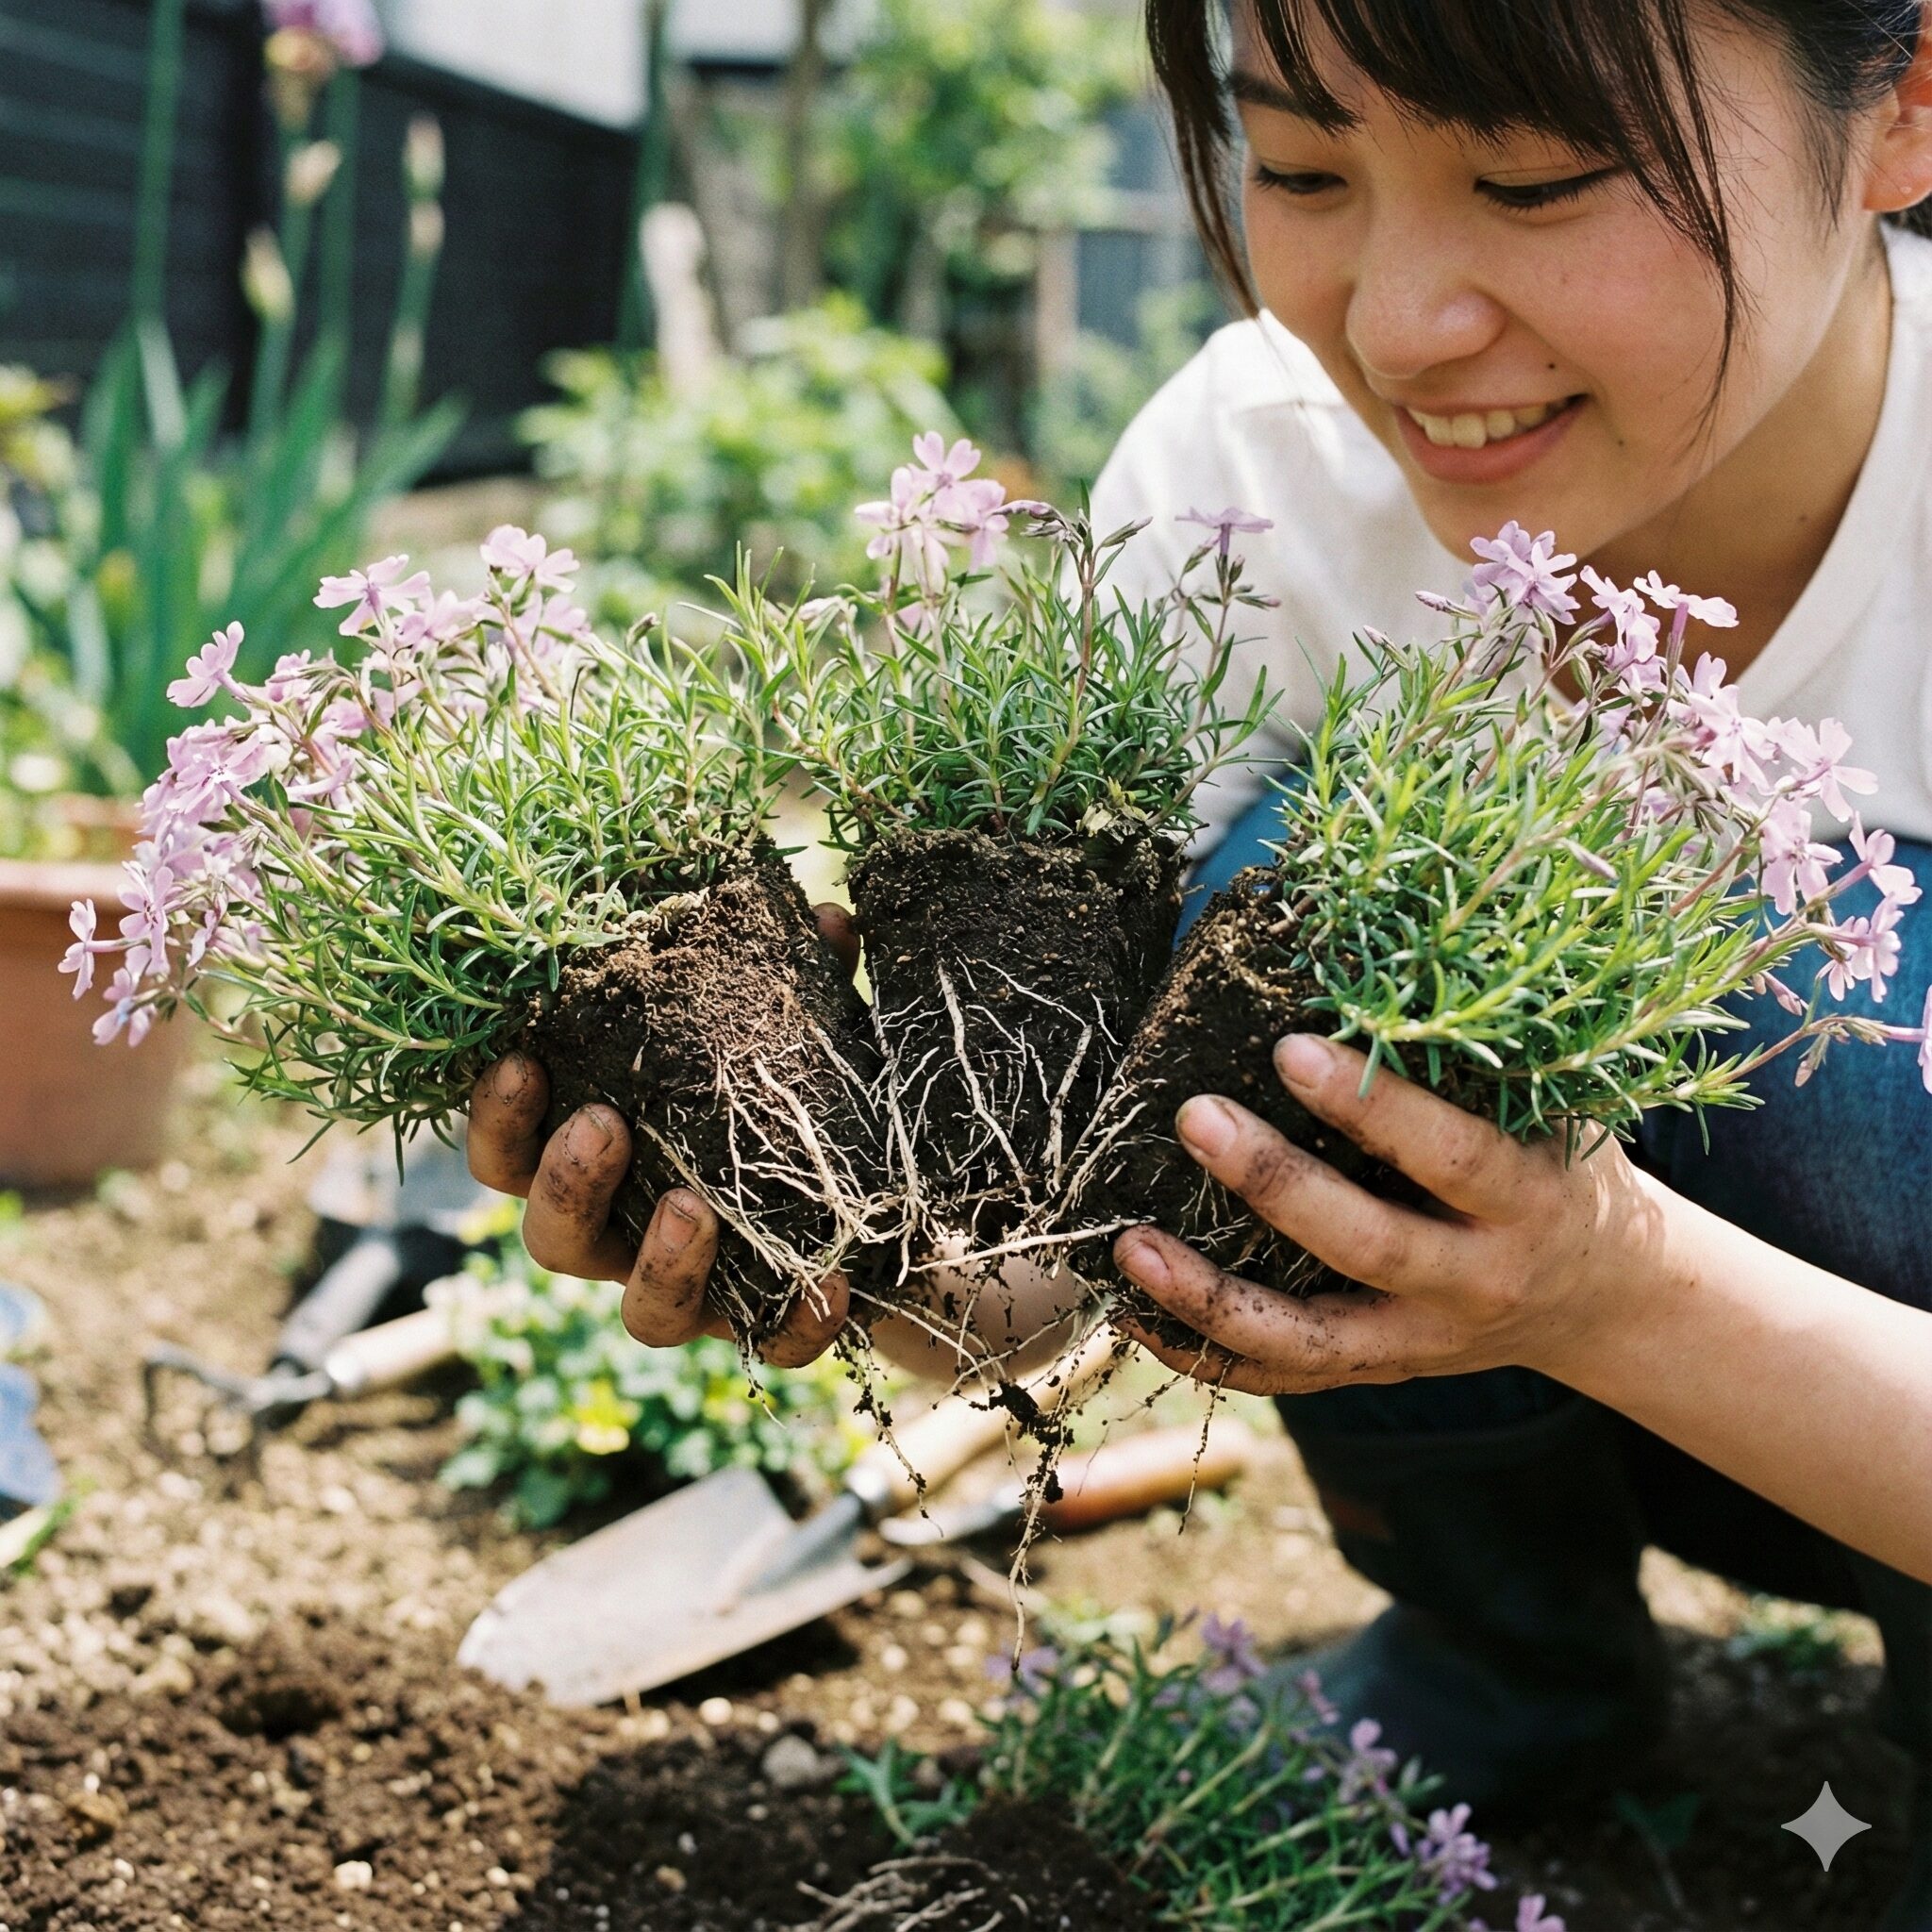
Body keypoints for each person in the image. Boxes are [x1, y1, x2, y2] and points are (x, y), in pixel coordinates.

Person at [470, 1, 1932, 1919]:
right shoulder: (1260, 480)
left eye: (1532, 178)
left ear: (1902, 102)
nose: (1399, 324)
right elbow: (1097, 1217)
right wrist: (837, 1217)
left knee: (1791, 954)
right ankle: (1509, 1653)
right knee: (1289, 886)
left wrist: (1606, 1287)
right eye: (1306, 169)